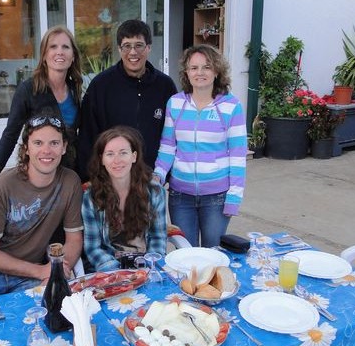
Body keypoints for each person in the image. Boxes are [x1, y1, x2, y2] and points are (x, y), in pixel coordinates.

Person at [0, 115, 84, 298]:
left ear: (64, 147)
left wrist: (56, 271)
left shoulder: (70, 182)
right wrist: (41, 272)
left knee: (56, 313)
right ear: (26, 148)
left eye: (54, 143)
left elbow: (74, 240)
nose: (46, 150)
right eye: (38, 143)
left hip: (30, 274)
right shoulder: (1, 186)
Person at [0, 25, 83, 198]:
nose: (60, 52)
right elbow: (10, 134)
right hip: (40, 174)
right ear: (44, 55)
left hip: (70, 174)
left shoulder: (76, 89)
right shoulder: (29, 89)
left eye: (66, 47)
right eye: (53, 46)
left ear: (73, 56)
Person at [153, 44, 247, 248]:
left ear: (216, 71)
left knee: (212, 254)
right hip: (180, 197)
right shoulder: (175, 104)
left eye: (206, 67)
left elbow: (238, 156)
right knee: (186, 255)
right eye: (194, 68)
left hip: (216, 198)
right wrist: (157, 177)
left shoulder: (231, 106)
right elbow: (168, 147)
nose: (200, 73)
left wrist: (234, 197)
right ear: (186, 72)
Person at [77, 19, 176, 181]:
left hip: (150, 179)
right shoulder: (101, 86)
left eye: (139, 45)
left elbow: (172, 136)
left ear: (148, 48)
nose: (133, 52)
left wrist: (166, 175)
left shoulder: (165, 86)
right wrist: (89, 178)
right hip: (109, 179)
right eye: (127, 46)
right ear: (119, 49)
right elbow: (87, 136)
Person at [82, 126, 167, 273]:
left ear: (134, 156)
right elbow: (92, 248)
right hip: (108, 269)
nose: (117, 160)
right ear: (101, 159)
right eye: (110, 154)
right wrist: (117, 274)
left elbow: (158, 238)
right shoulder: (91, 196)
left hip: (145, 267)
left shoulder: (154, 191)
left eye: (123, 153)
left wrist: (149, 269)